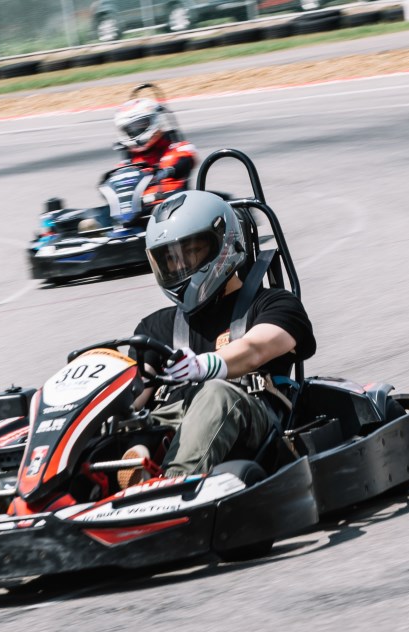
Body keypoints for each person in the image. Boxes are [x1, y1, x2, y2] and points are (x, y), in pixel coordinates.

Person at [119, 189, 316, 485]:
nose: (179, 266)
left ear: (222, 245)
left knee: (215, 393)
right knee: (115, 419)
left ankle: (173, 487)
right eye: (169, 259)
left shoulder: (274, 304)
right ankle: (114, 471)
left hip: (252, 423)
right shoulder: (154, 327)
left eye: (191, 252)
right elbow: (137, 391)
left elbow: (255, 349)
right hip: (175, 420)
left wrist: (205, 365)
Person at [110, 97, 197, 200]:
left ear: (155, 121)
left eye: (141, 125)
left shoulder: (177, 147)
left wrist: (166, 172)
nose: (135, 131)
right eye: (130, 129)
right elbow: (114, 183)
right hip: (139, 206)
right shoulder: (128, 161)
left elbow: (185, 162)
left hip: (175, 201)